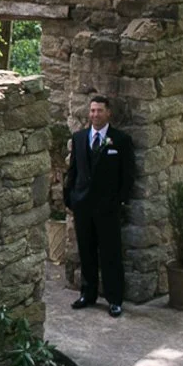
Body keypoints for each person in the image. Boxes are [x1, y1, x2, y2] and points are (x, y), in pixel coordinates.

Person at [63, 94, 136, 317]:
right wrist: (70, 198)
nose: (95, 114)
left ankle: (114, 299)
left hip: (108, 207)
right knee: (86, 251)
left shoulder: (120, 140)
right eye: (92, 110)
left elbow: (128, 174)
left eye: (99, 111)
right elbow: (73, 171)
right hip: (83, 205)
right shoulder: (79, 138)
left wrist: (119, 200)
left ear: (108, 113)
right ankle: (88, 293)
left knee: (110, 254)